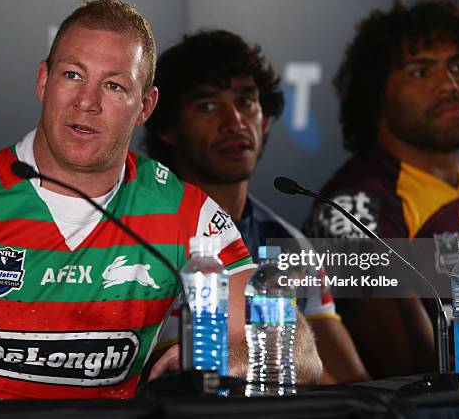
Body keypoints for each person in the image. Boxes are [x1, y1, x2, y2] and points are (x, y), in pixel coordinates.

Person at [0, 0, 255, 399]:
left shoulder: (185, 215)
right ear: (43, 80)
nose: (86, 102)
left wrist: (224, 362)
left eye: (113, 85)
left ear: (145, 106)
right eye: (72, 75)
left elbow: (298, 353)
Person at [301, 0, 459, 378]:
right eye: (421, 71)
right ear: (377, 94)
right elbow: (415, 368)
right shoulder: (354, 204)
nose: (450, 85)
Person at [142, 29, 369, 383]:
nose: (234, 122)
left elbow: (344, 379)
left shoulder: (289, 242)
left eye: (246, 101)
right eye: (207, 106)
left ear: (264, 119)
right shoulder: (137, 229)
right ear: (167, 128)